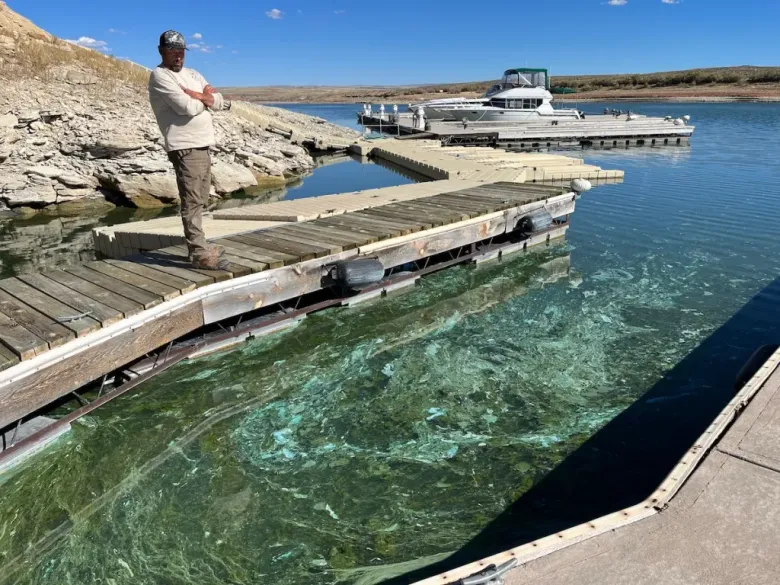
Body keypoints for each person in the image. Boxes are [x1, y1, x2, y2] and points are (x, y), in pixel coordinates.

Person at [148, 30, 231, 270]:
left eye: (181, 51)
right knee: (192, 199)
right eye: (172, 50)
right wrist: (202, 99)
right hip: (185, 146)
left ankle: (199, 246)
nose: (178, 55)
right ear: (161, 50)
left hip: (203, 143)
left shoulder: (192, 74)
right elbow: (186, 107)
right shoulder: (160, 76)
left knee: (201, 197)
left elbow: (219, 100)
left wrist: (200, 95)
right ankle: (199, 253)